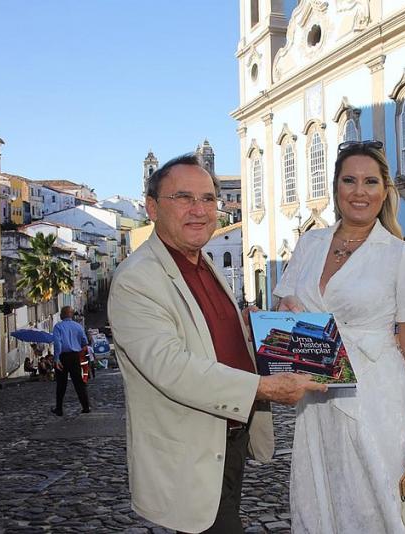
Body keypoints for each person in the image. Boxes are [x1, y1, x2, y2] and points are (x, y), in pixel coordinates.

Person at [107, 153, 326, 534]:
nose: (200, 210)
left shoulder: (202, 261)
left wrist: (271, 325)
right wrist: (263, 387)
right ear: (152, 207)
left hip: (229, 441)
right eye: (184, 198)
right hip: (190, 448)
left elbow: (211, 335)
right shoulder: (136, 280)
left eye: (208, 199)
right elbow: (171, 366)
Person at [274, 140, 405, 533]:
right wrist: (287, 315)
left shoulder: (400, 255)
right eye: (349, 180)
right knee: (330, 495)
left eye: (370, 182)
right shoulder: (310, 245)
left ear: (384, 190)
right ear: (336, 188)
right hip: (318, 394)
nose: (359, 191)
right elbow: (284, 312)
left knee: (377, 500)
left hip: (377, 395)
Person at [51, 306, 91, 416]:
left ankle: (59, 408)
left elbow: (58, 344)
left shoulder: (58, 327)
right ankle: (86, 406)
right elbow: (84, 342)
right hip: (75, 356)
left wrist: (56, 359)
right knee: (79, 383)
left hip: (63, 357)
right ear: (71, 314)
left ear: (62, 314)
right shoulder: (78, 326)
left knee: (61, 384)